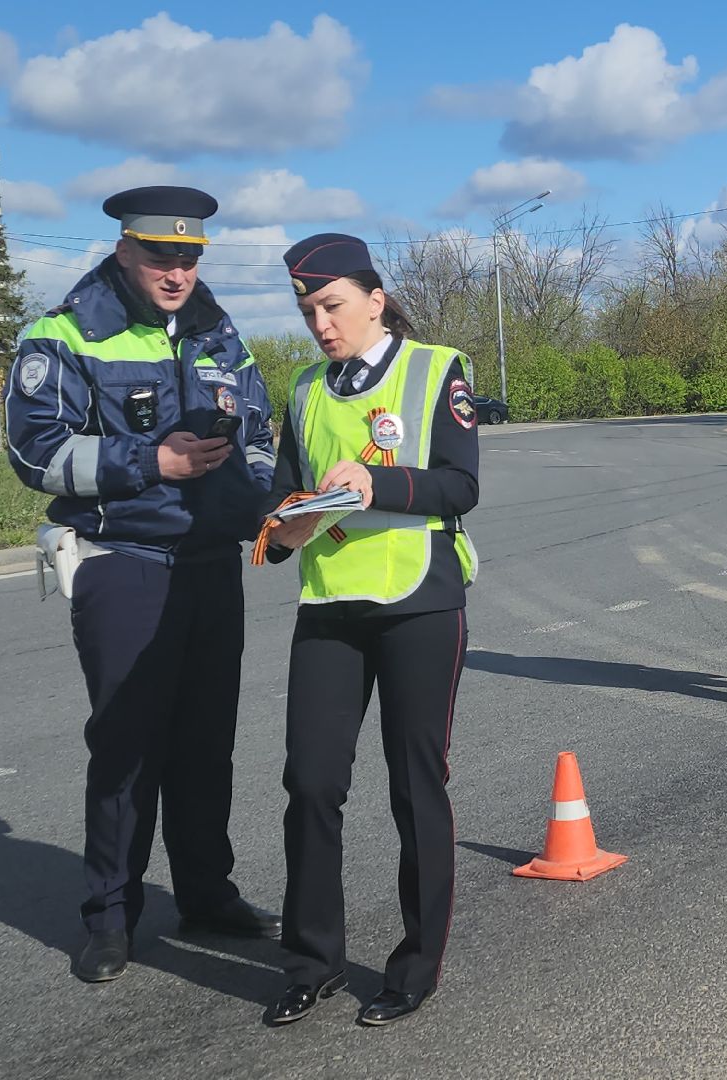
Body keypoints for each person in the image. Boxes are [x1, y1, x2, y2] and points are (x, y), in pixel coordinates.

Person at [4, 185, 281, 983]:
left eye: (190, 257)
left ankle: (206, 895)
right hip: (122, 560)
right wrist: (146, 462)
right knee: (128, 745)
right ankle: (110, 917)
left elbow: (257, 428)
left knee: (206, 743)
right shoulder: (63, 334)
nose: (177, 272)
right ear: (125, 249)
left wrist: (254, 495)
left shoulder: (217, 333)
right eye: (161, 256)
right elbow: (33, 454)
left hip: (209, 562)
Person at [260, 233, 479, 1028]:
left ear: (374, 300)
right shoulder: (305, 389)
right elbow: (287, 491)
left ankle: (415, 966)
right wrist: (282, 526)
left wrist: (374, 481)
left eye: (332, 305)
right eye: (307, 309)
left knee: (414, 787)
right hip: (329, 608)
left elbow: (461, 484)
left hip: (419, 601)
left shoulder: (434, 368)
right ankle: (313, 959)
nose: (319, 323)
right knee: (311, 783)